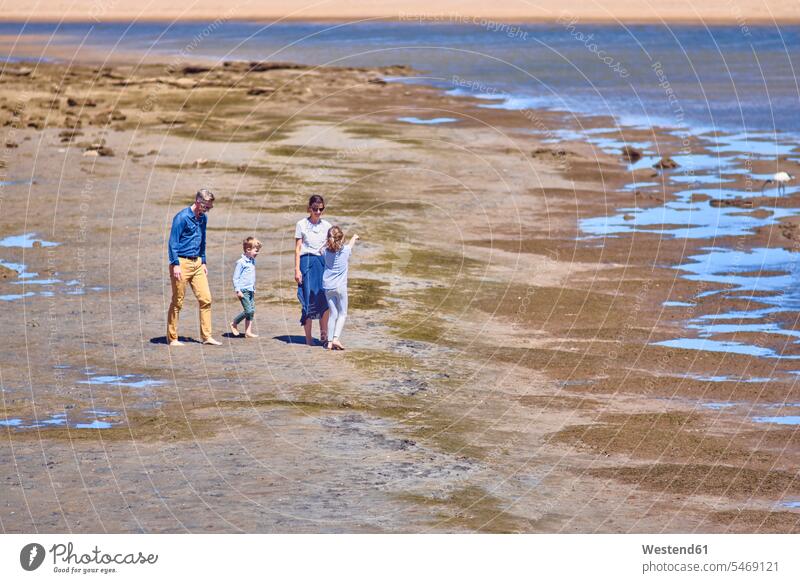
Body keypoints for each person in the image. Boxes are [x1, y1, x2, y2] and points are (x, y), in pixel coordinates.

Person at [166, 189, 222, 346]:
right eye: (206, 207)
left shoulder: (203, 219)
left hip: (197, 263)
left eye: (210, 207)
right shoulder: (182, 217)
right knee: (178, 301)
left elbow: (203, 241)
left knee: (206, 299)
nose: (208, 210)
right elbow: (172, 243)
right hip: (181, 263)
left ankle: (207, 337)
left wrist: (203, 261)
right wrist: (175, 264)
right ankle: (173, 338)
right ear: (198, 202)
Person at [294, 194, 331, 346]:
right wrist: (297, 270)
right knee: (308, 298)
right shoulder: (301, 224)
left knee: (324, 299)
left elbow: (331, 247)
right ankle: (308, 338)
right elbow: (297, 249)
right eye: (315, 209)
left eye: (320, 209)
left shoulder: (327, 225)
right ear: (309, 208)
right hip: (306, 261)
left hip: (322, 263)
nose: (318, 212)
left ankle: (324, 335)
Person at [322, 226, 359, 350]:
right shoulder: (346, 250)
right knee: (342, 313)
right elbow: (351, 244)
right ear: (342, 238)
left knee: (333, 314)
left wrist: (326, 241)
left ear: (329, 239)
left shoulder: (325, 252)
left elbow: (319, 250)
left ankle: (329, 342)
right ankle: (336, 338)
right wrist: (354, 237)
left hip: (328, 287)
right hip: (341, 287)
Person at [230, 236, 261, 338]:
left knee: (252, 311)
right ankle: (234, 323)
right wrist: (237, 290)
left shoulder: (252, 261)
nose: (257, 253)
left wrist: (253, 287)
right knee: (248, 310)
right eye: (256, 251)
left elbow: (251, 276)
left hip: (250, 289)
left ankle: (248, 331)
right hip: (243, 290)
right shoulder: (241, 262)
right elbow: (235, 278)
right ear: (248, 250)